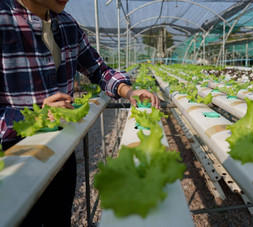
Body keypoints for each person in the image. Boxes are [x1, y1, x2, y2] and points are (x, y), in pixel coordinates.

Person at [0, 0, 160, 226]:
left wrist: (128, 90)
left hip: (62, 150)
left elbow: (99, 70)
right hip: (15, 159)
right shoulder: (4, 19)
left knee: (60, 218)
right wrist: (34, 118)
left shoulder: (66, 24)